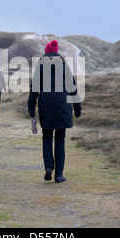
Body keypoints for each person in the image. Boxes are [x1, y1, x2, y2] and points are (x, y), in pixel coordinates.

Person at [28, 40, 82, 183]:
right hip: (62, 105)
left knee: (46, 137)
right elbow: (73, 87)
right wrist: (77, 107)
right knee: (60, 139)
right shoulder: (63, 64)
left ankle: (49, 167)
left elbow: (34, 88)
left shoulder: (41, 65)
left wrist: (31, 108)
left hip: (46, 105)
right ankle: (59, 175)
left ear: (46, 52)